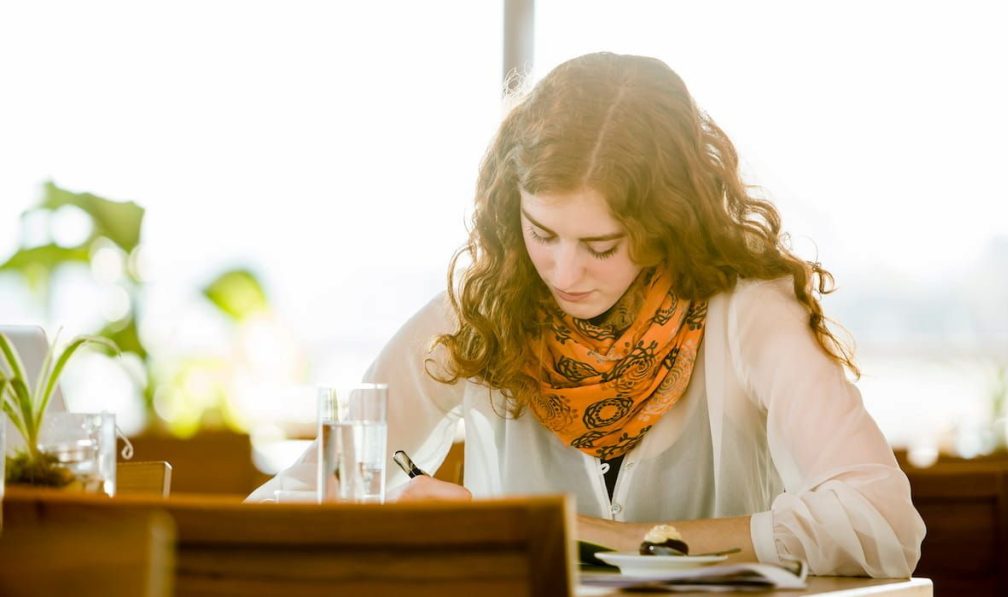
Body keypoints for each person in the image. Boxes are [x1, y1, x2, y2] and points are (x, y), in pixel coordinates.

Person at [249, 52, 925, 577]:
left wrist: (630, 541)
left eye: (600, 246)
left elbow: (886, 522)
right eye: (542, 233)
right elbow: (277, 509)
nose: (565, 274)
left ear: (665, 222)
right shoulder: (478, 311)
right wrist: (389, 513)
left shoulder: (746, 313)